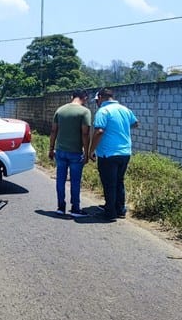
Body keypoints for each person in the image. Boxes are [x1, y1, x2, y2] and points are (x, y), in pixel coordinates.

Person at [89, 88, 139, 221]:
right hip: (125, 152)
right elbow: (136, 123)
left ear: (100, 97)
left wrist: (91, 150)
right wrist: (120, 128)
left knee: (109, 183)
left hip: (108, 153)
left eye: (97, 100)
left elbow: (99, 131)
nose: (97, 103)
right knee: (119, 181)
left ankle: (110, 213)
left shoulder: (103, 111)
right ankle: (120, 209)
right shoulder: (124, 109)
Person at [48, 89, 92, 217]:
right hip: (75, 152)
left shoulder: (60, 110)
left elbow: (53, 131)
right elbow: (85, 133)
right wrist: (87, 152)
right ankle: (75, 209)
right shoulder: (85, 112)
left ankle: (60, 207)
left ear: (72, 96)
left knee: (60, 180)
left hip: (60, 151)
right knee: (75, 181)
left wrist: (51, 149)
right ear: (85, 98)